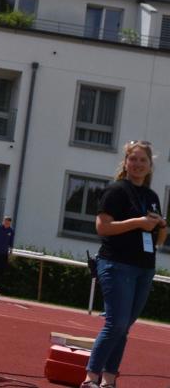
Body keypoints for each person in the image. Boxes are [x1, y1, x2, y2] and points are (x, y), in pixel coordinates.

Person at [81, 140, 167, 388]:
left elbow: (158, 240)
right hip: (116, 264)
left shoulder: (151, 196)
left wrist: (162, 226)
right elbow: (102, 227)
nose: (138, 164)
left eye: (143, 160)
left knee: (124, 327)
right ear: (126, 163)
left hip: (144, 267)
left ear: (150, 166)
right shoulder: (116, 191)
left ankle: (109, 381)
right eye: (133, 159)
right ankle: (90, 378)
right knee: (116, 324)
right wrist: (138, 222)